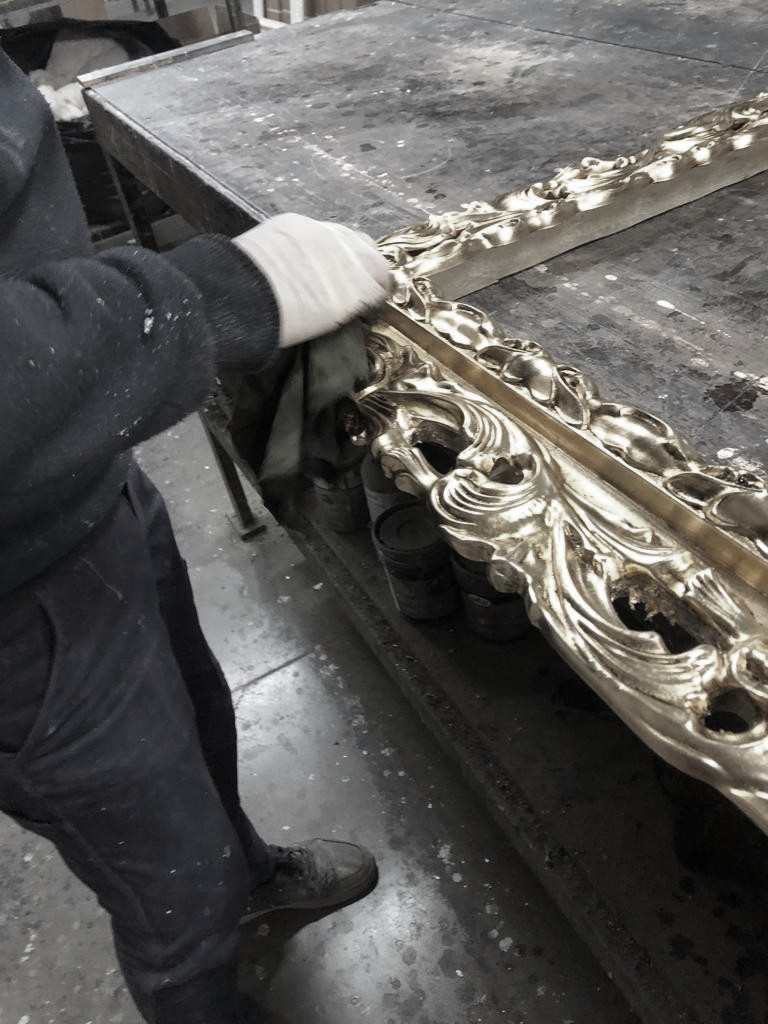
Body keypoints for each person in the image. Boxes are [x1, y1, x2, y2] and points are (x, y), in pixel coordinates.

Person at [0, 46, 392, 1024]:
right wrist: (212, 296)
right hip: (16, 595)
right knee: (177, 894)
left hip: (79, 478)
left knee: (197, 710)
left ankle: (250, 876)